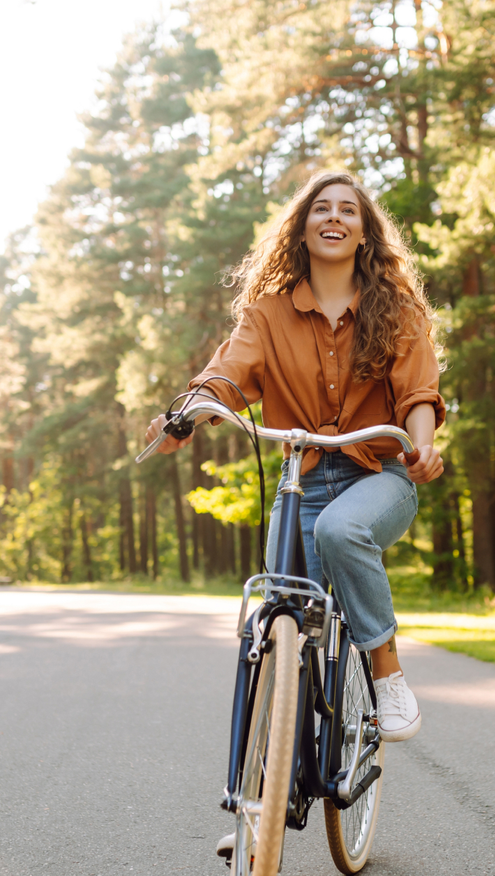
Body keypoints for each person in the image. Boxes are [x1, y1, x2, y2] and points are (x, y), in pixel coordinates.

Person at [146, 170, 445, 746]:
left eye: (348, 211)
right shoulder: (266, 314)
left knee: (341, 529)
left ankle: (388, 675)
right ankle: (263, 797)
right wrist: (187, 414)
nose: (334, 217)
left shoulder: (399, 313)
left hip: (379, 473)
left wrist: (422, 446)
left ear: (364, 234)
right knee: (281, 616)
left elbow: (417, 394)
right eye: (321, 209)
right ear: (302, 231)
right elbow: (227, 378)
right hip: (298, 480)